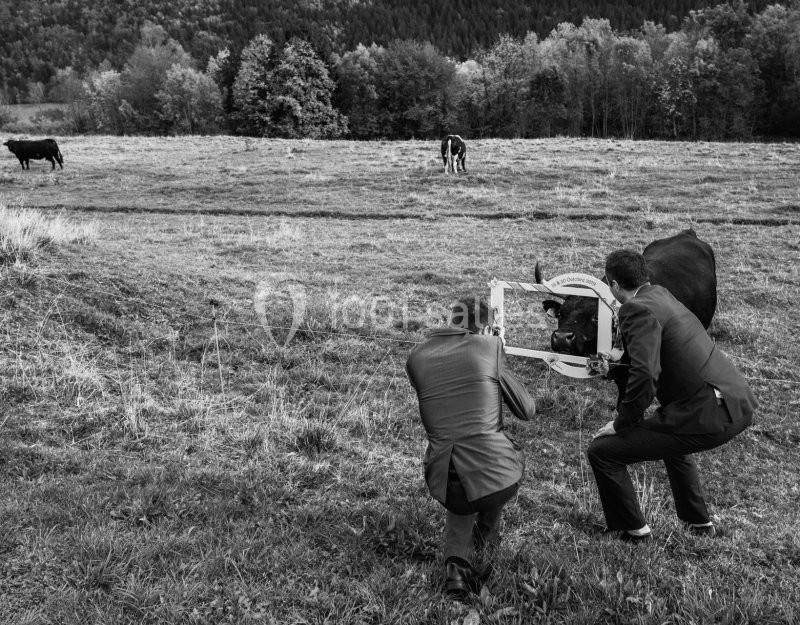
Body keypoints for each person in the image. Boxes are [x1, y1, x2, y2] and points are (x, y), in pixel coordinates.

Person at [588, 250, 756, 542]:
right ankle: (698, 523)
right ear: (644, 276)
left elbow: (644, 375)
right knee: (673, 442)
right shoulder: (661, 294)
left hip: (706, 414)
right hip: (736, 403)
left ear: (613, 286)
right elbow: (654, 349)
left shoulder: (634, 309)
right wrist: (617, 357)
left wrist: (621, 423)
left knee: (602, 452)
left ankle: (632, 530)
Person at [406, 295, 536, 596]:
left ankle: (456, 567)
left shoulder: (416, 357)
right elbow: (526, 410)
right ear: (487, 329)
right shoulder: (489, 348)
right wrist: (497, 355)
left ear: (452, 320)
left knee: (461, 479)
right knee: (494, 461)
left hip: (441, 476)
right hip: (495, 475)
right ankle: (484, 540)